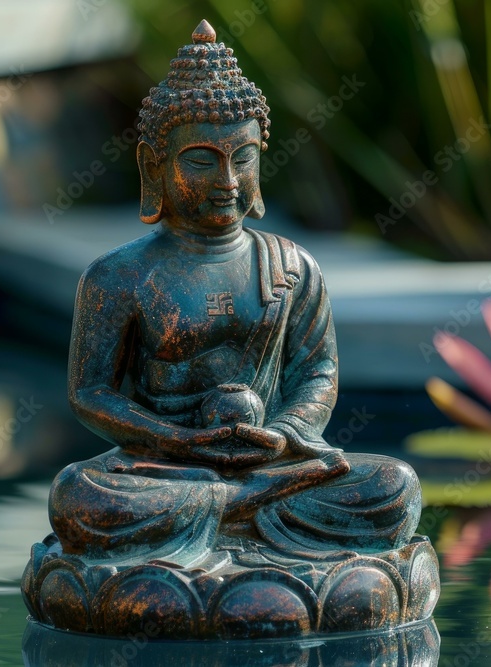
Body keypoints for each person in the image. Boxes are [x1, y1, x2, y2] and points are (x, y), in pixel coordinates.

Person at [48, 20, 421, 567]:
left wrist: (285, 435)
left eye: (242, 157)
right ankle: (244, 514)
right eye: (201, 159)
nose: (227, 179)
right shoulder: (118, 275)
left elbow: (318, 373)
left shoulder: (292, 266)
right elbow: (91, 394)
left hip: (271, 461)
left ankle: (227, 512)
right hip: (165, 468)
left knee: (394, 486)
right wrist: (176, 442)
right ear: (154, 166)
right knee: (80, 497)